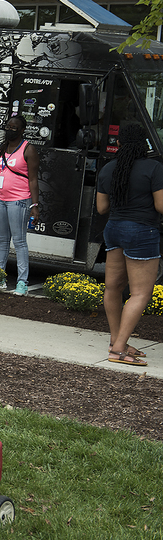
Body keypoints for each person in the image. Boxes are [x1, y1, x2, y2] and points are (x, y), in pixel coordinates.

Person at [96, 122, 163, 367]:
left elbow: (102, 208)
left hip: (113, 230)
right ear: (144, 144)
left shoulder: (108, 169)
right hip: (142, 231)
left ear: (119, 144)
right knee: (141, 293)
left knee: (113, 288)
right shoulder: (154, 168)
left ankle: (117, 341)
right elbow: (161, 206)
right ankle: (119, 350)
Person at [0, 115, 40, 296]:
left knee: (19, 241)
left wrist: (35, 205)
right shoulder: (2, 148)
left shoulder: (28, 149)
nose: (9, 129)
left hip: (19, 200)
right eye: (7, 126)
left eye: (14, 127)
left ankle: (22, 282)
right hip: (0, 198)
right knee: (2, 240)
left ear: (21, 130)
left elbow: (33, 179)